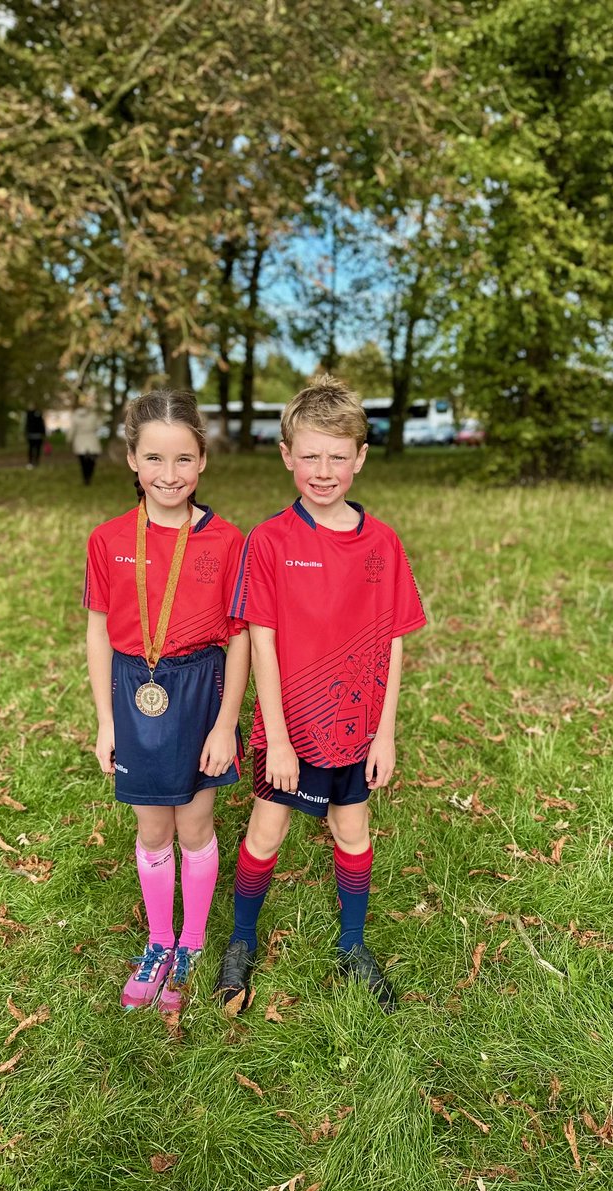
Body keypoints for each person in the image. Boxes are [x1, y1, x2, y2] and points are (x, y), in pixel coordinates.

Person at [215, 376, 426, 1014]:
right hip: (291, 727)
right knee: (268, 830)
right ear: (286, 456)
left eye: (338, 456)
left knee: (353, 830)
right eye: (310, 455)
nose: (324, 470)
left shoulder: (382, 543)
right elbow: (261, 643)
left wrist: (384, 732)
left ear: (361, 457)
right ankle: (241, 941)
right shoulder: (271, 541)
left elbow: (393, 640)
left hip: (356, 727)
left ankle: (353, 946)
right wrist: (276, 736)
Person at [84, 389, 250, 1012]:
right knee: (153, 827)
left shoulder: (228, 541)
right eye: (154, 459)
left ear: (202, 461)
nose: (169, 474)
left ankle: (194, 940)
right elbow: (99, 630)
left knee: (195, 822)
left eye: (183, 459)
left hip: (200, 689)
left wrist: (226, 723)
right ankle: (158, 941)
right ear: (131, 459)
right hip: (135, 689)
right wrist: (106, 721)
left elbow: (240, 640)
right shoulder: (108, 539)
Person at [69, 402, 103, 485]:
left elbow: (72, 429)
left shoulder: (75, 416)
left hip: (80, 440)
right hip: (91, 439)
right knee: (91, 461)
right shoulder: (93, 416)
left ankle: (85, 477)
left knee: (83, 461)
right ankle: (89, 477)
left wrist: (69, 439)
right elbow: (98, 425)